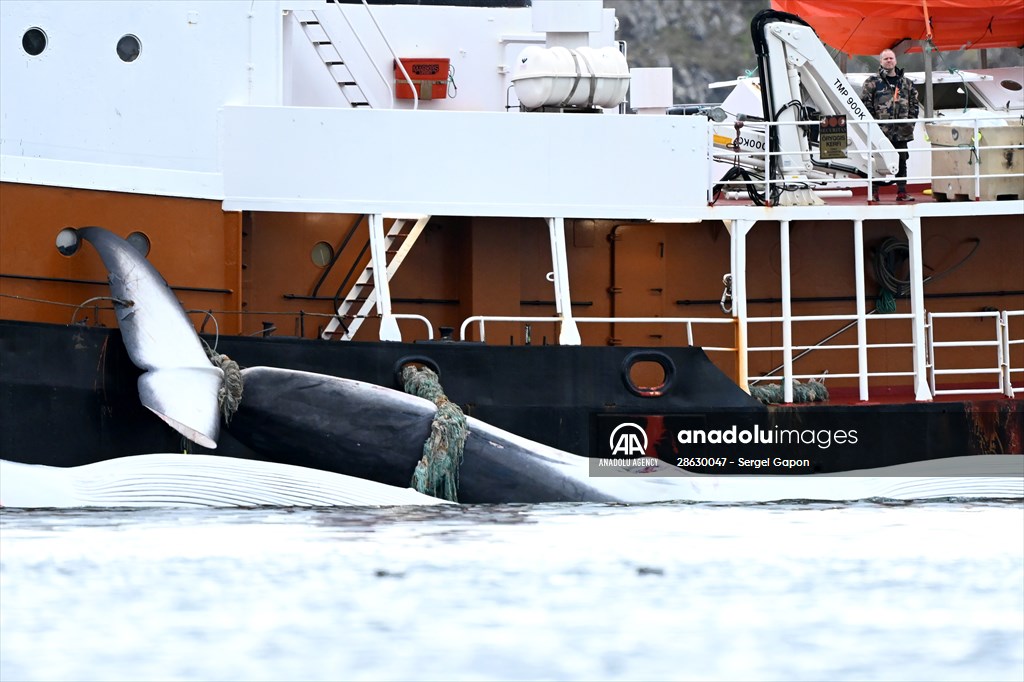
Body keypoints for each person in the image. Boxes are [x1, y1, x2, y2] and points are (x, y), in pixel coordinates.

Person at [861, 49, 920, 202]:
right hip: (880, 131)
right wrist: (874, 126)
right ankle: (874, 192)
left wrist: (910, 123)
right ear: (880, 61)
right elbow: (866, 105)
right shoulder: (872, 82)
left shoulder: (906, 83)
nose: (889, 61)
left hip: (902, 130)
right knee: (877, 161)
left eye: (891, 58)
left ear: (896, 61)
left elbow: (914, 105)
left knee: (902, 160)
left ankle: (902, 192)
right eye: (885, 58)